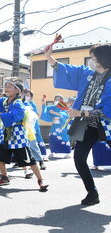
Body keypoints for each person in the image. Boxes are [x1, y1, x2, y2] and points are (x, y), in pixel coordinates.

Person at [44, 43, 111, 205]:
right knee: (79, 158)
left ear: (103, 60)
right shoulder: (88, 74)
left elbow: (108, 110)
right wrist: (49, 57)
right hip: (87, 125)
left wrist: (81, 112)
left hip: (107, 125)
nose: (91, 61)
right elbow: (68, 70)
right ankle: (92, 193)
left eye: (94, 58)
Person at [0, 79, 48, 191]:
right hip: (5, 132)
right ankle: (4, 177)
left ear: (17, 90)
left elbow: (17, 116)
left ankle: (40, 181)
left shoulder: (18, 103)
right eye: (6, 86)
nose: (6, 88)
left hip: (18, 133)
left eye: (10, 86)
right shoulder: (5, 101)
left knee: (29, 159)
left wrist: (1, 115)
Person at [40, 94, 71, 159]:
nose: (57, 100)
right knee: (52, 138)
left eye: (58, 99)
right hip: (54, 125)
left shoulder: (63, 106)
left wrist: (55, 113)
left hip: (62, 126)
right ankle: (53, 152)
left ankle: (67, 153)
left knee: (64, 138)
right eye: (55, 99)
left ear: (62, 100)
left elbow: (65, 115)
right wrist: (43, 103)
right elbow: (45, 110)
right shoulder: (52, 107)